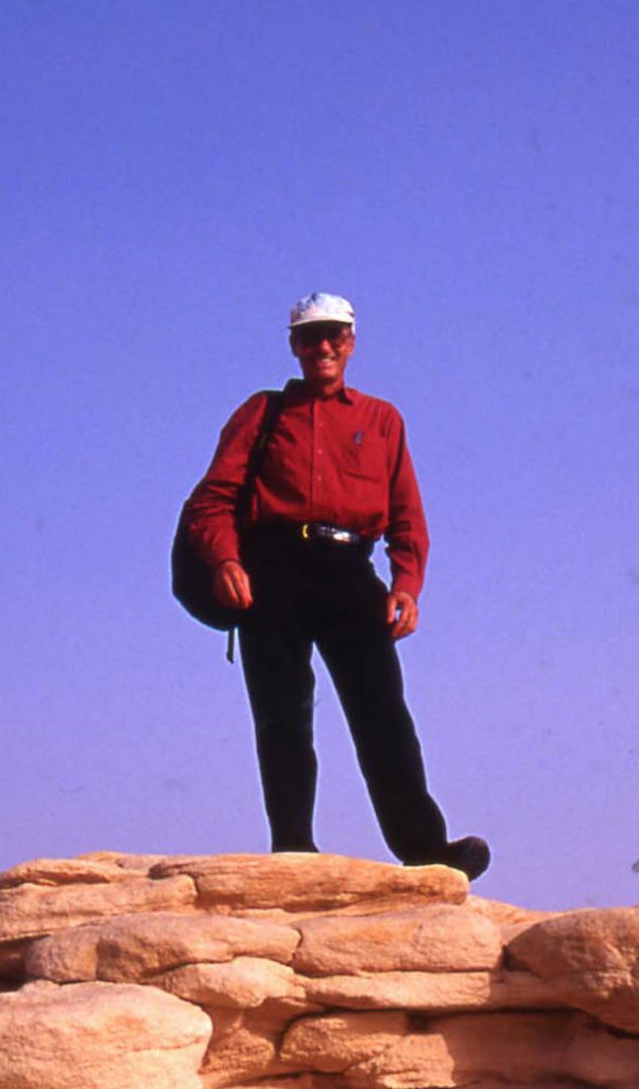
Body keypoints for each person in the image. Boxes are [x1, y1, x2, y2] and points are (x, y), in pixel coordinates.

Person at [184, 293, 490, 881]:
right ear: (293, 345)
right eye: (310, 336)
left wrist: (407, 582)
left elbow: (406, 512)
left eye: (334, 336)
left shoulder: (381, 419)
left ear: (351, 341)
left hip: (351, 570)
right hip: (270, 570)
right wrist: (225, 560)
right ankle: (294, 849)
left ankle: (425, 848)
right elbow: (212, 500)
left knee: (383, 713)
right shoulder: (262, 413)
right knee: (282, 714)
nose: (322, 346)